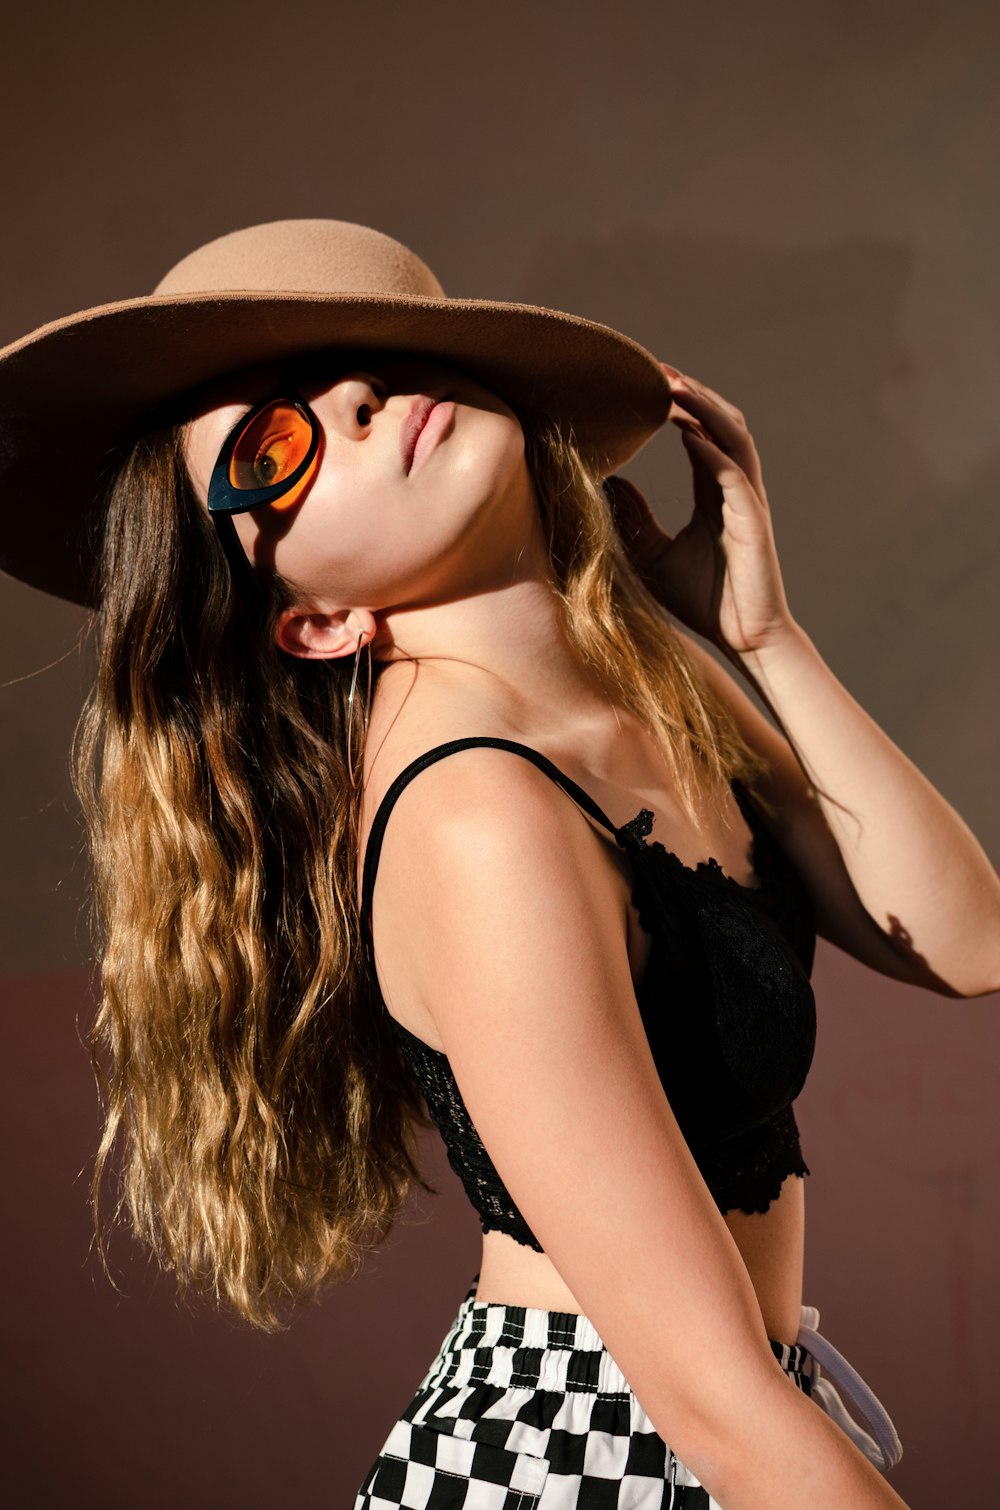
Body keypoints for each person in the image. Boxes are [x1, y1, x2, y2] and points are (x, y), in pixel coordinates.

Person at [2, 218, 997, 1510]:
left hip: (736, 1430)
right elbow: (706, 1398)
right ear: (312, 618)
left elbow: (968, 942)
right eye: (274, 445)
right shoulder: (475, 814)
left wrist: (765, 635)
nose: (357, 403)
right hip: (594, 1449)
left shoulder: (647, 673)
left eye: (375, 363)